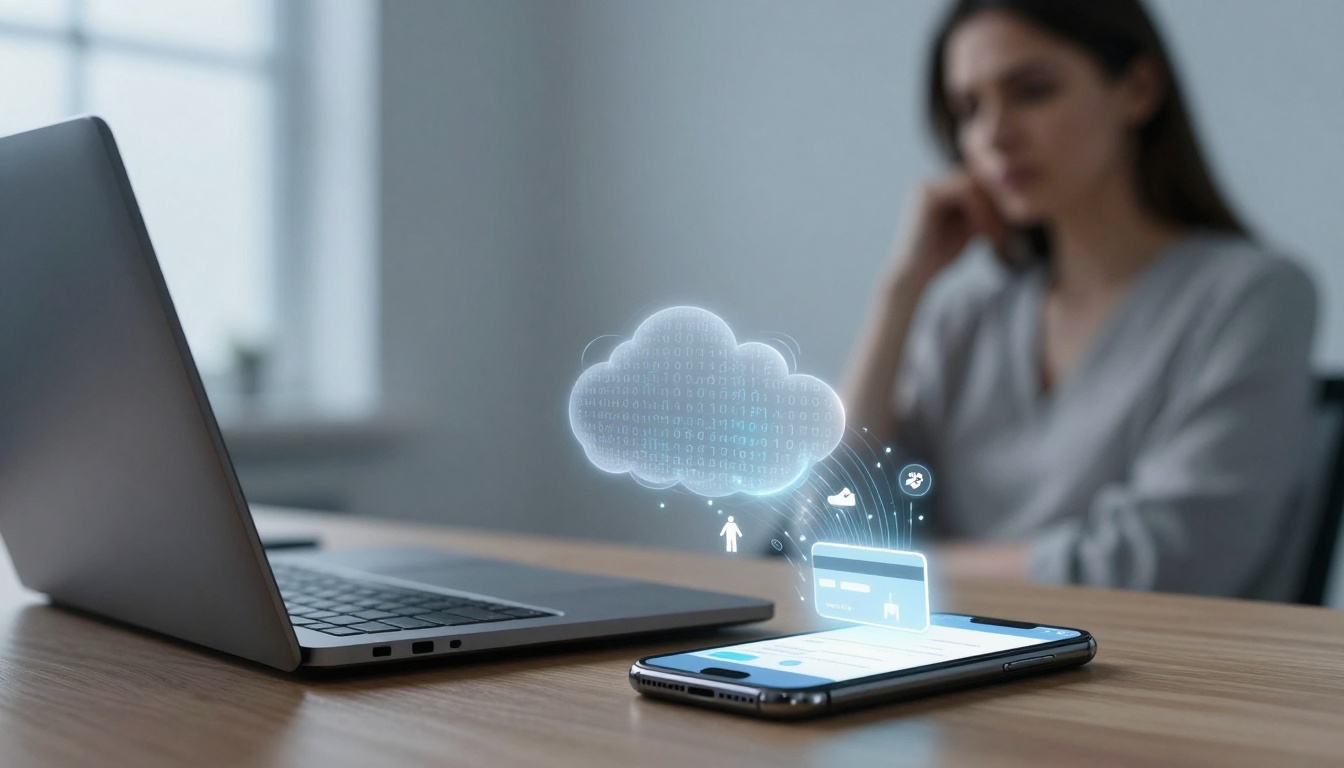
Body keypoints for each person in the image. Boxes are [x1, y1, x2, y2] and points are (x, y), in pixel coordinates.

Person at [843, 0, 1318, 598]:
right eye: (968, 109)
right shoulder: (965, 319)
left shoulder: (1253, 297)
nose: (994, 135)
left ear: (1138, 89)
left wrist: (899, 567)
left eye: (1033, 91)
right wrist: (900, 291)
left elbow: (1160, 565)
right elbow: (828, 523)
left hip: (1139, 657)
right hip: (940, 651)